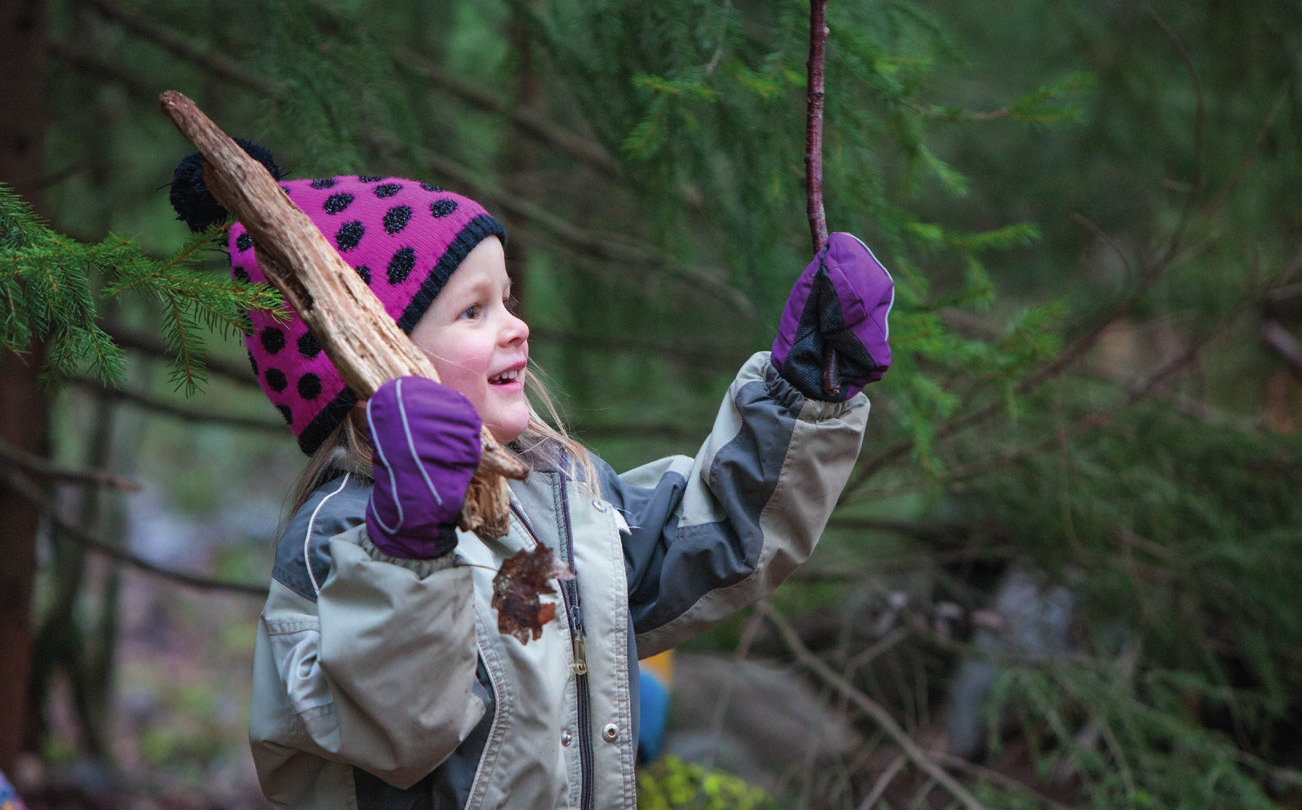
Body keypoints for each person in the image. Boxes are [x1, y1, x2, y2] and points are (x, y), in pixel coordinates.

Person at [169, 142, 894, 809]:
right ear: (375, 357)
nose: (516, 325)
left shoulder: (556, 493)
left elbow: (703, 545)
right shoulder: (346, 533)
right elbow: (391, 731)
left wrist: (801, 397)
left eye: (507, 299)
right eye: (474, 310)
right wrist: (407, 548)